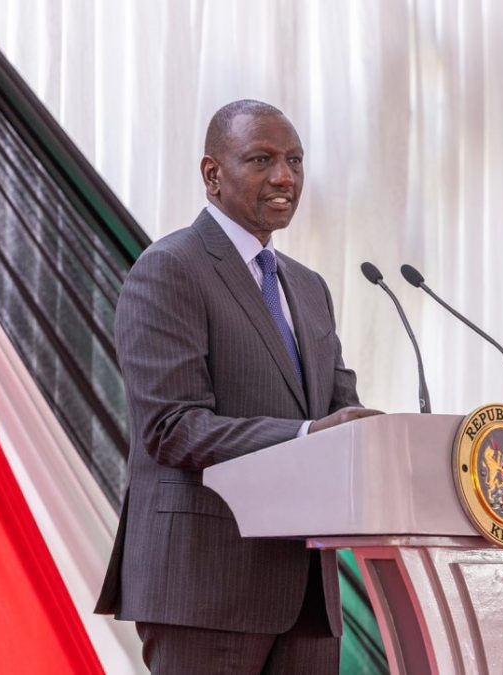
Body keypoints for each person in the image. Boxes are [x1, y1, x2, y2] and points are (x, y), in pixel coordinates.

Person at [95, 99, 381, 674]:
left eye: (295, 160)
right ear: (213, 174)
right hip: (206, 585)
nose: (285, 177)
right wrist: (308, 434)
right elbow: (171, 427)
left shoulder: (307, 287)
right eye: (262, 159)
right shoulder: (169, 268)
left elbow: (339, 412)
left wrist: (378, 440)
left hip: (304, 595)